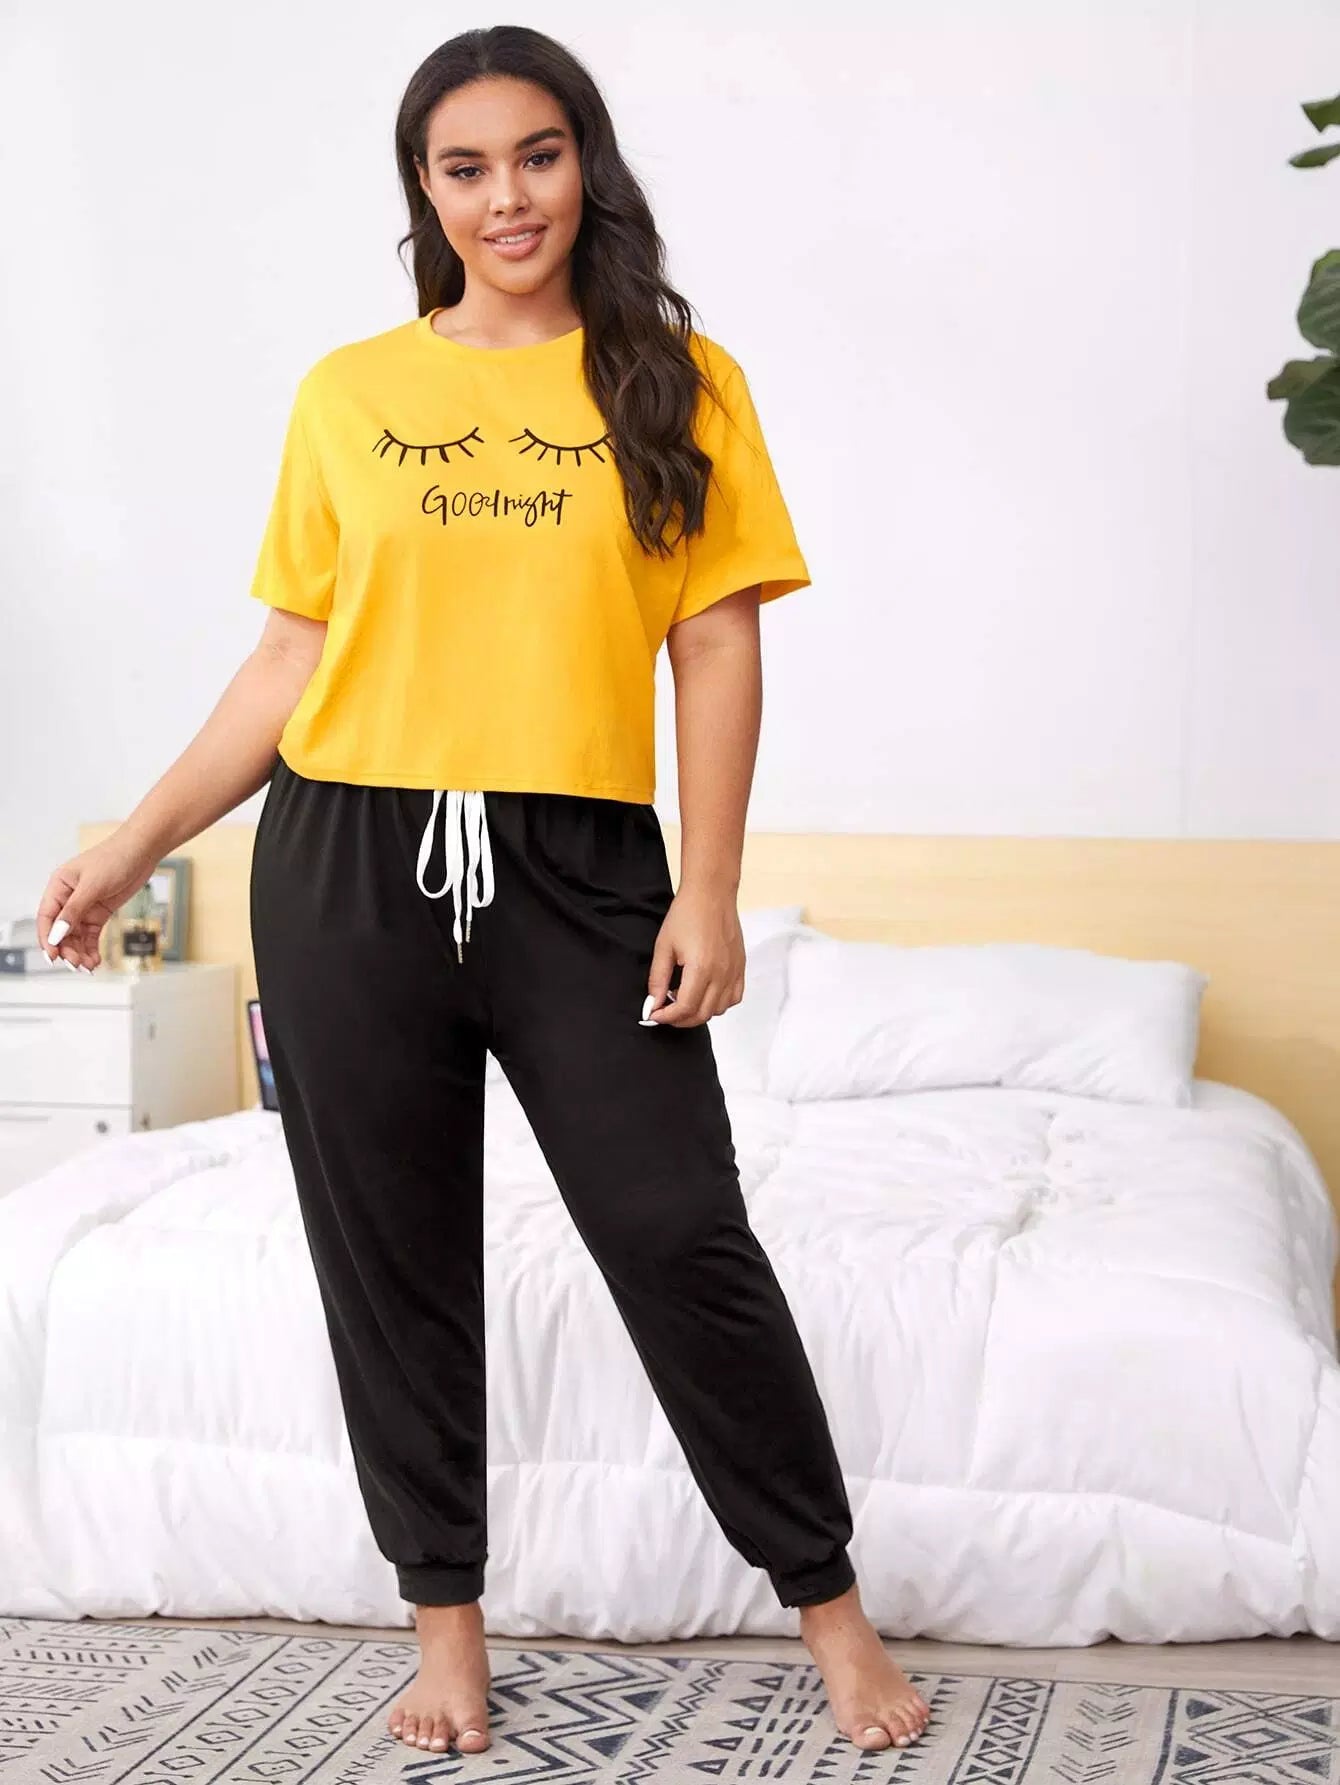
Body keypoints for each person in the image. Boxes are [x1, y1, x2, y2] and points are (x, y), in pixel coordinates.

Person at [36, 24, 932, 1763]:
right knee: (394, 1255)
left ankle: (830, 1605)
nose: (506, 196)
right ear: (424, 190)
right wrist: (138, 841)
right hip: (348, 862)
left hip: (583, 869)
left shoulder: (678, 380)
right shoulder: (349, 393)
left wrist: (711, 886)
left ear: (585, 162)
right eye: (465, 167)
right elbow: (291, 656)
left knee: (675, 1228)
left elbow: (717, 645)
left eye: (538, 154)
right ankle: (446, 1624)